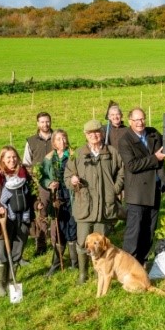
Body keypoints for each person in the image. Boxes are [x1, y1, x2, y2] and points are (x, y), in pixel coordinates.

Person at [64, 120, 125, 282]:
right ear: (86, 135)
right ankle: (83, 274)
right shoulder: (78, 154)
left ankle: (102, 273)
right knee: (83, 242)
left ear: (102, 133)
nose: (94, 136)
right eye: (90, 133)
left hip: (105, 206)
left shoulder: (111, 152)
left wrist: (115, 188)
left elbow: (121, 171)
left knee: (102, 244)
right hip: (85, 207)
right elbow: (67, 176)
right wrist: (73, 180)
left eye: (97, 132)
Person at [0, 146, 39, 297]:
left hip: (23, 219)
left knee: (17, 252)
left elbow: (31, 195)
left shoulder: (24, 174)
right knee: (2, 254)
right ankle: (1, 284)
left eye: (14, 157)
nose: (12, 160)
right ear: (2, 160)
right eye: (8, 158)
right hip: (3, 221)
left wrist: (36, 203)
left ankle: (10, 280)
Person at [117, 108, 165, 265]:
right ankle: (128, 264)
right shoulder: (125, 140)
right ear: (130, 122)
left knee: (149, 229)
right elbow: (132, 165)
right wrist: (155, 158)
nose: (140, 123)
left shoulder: (153, 133)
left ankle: (143, 261)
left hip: (155, 189)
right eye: (136, 120)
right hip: (138, 193)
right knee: (134, 231)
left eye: (142, 119)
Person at [40, 129, 78, 277]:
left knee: (72, 227)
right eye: (58, 140)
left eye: (63, 139)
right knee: (59, 230)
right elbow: (43, 177)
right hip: (57, 198)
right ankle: (56, 263)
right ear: (53, 143)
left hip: (72, 196)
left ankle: (75, 263)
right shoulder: (49, 158)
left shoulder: (74, 155)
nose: (61, 142)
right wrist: (49, 183)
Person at [22, 111, 53, 259]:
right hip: (38, 183)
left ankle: (56, 241)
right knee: (41, 213)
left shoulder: (57, 137)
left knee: (57, 210)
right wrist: (33, 179)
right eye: (42, 122)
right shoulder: (31, 141)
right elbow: (26, 164)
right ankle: (41, 243)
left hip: (55, 182)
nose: (45, 124)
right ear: (37, 124)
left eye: (47, 121)